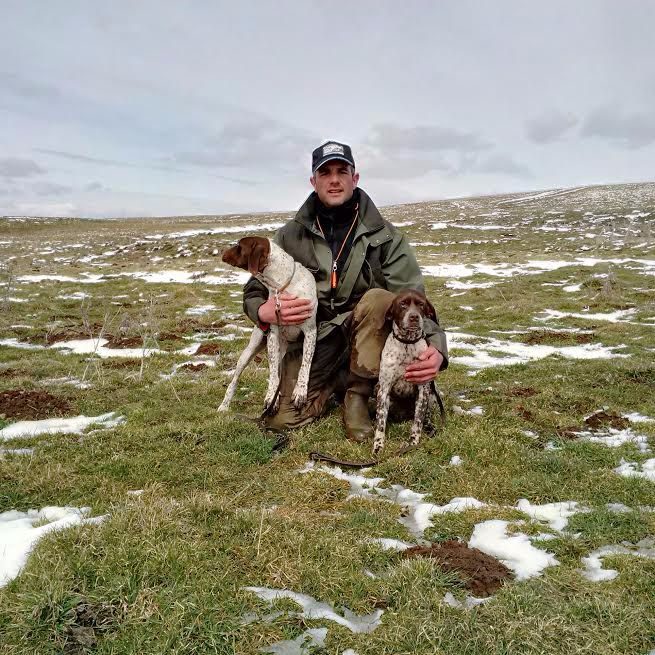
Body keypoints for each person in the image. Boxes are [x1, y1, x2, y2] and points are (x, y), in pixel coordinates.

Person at [241, 140, 448, 441]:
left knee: (380, 300)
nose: (334, 179)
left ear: (355, 178)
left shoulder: (386, 237)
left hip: (367, 333)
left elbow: (413, 297)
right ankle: (334, 382)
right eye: (325, 173)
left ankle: (358, 394)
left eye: (342, 171)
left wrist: (436, 349)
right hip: (317, 339)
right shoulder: (289, 236)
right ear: (313, 181)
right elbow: (254, 289)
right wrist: (262, 310)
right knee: (282, 419)